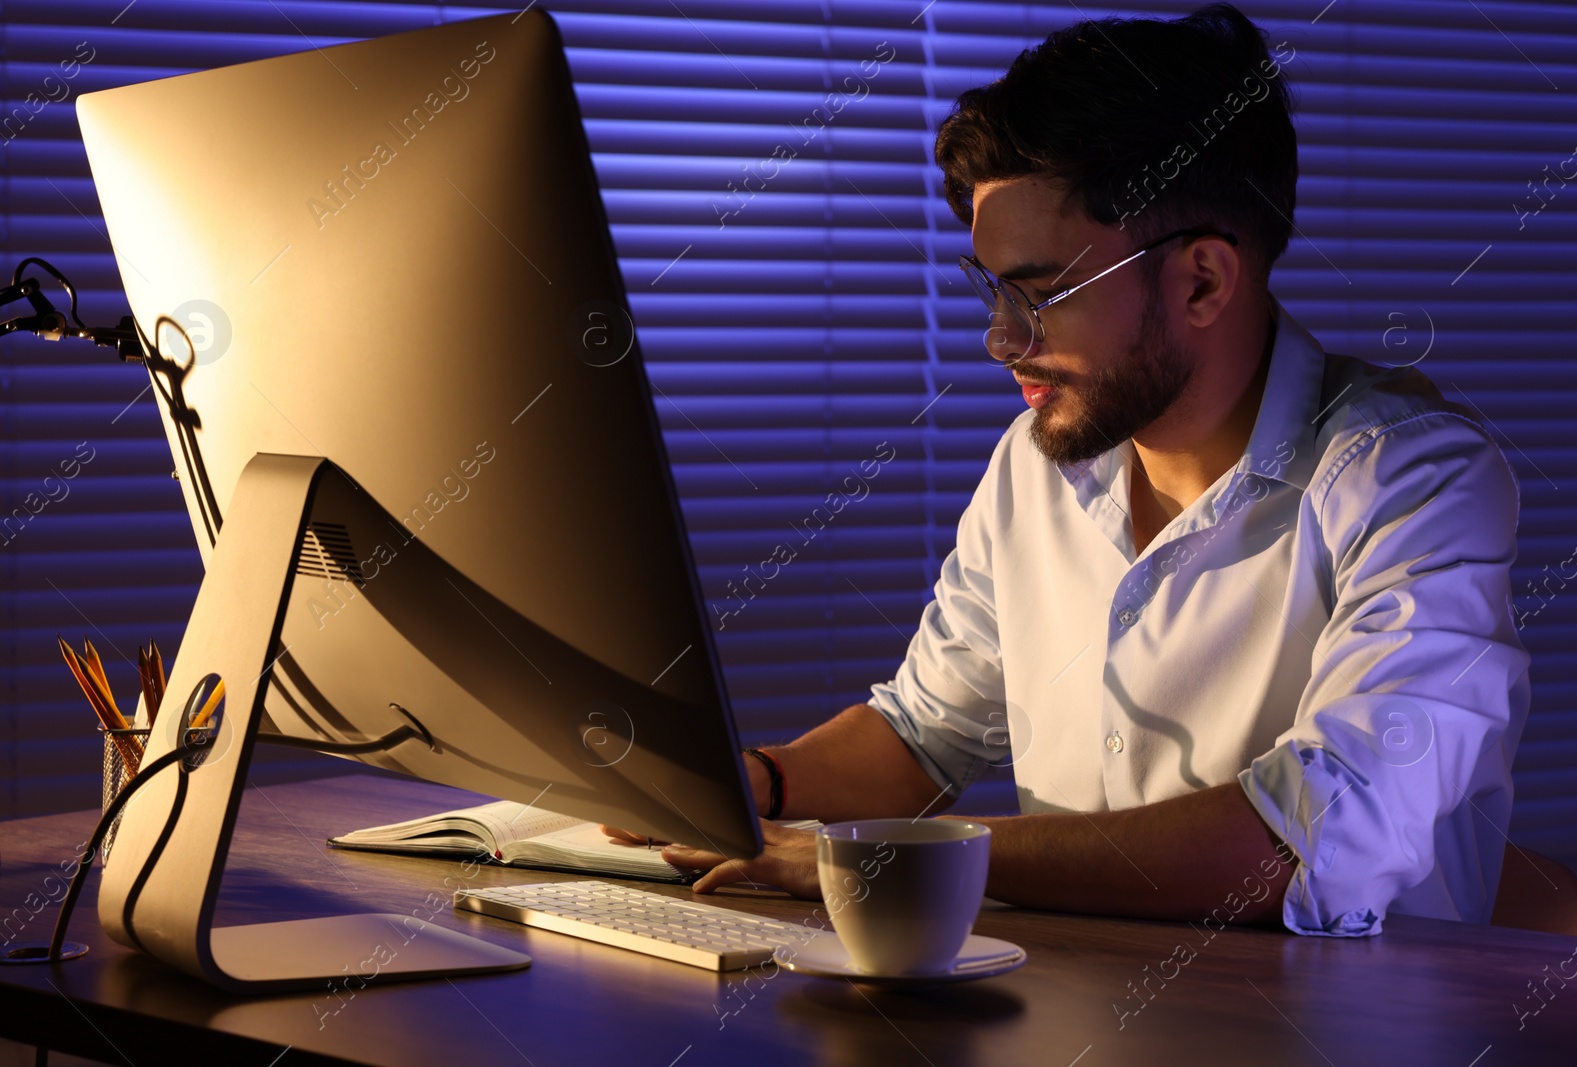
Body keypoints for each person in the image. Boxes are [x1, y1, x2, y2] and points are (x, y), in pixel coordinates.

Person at [608, 3, 1529, 937]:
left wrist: (879, 855)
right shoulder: (1036, 465)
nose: (1001, 339)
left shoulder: (1414, 478)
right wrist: (736, 789)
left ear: (1203, 280)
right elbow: (922, 738)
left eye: (1043, 295)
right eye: (992, 289)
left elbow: (1310, 843)